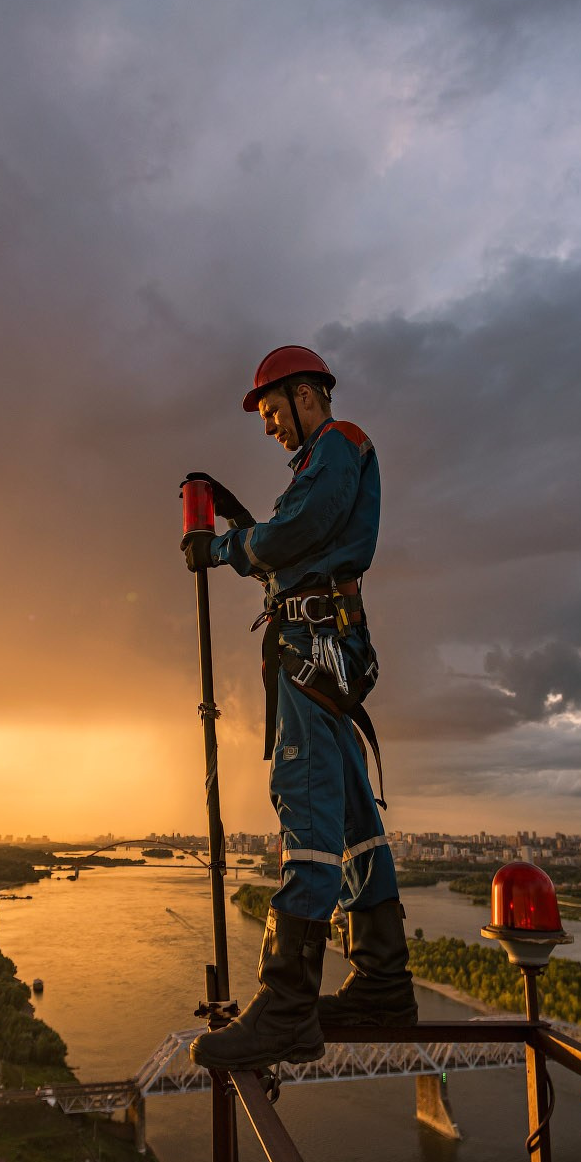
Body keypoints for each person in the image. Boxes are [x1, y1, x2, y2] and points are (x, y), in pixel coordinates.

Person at [182, 344, 416, 1071]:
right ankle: (383, 981)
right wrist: (240, 528)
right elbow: (293, 540)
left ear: (305, 394)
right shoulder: (327, 461)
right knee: (352, 818)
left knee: (307, 810)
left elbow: (295, 534)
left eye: (272, 410)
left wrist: (222, 547)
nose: (268, 426)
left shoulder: (338, 447)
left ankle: (286, 1008)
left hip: (312, 650)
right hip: (324, 649)